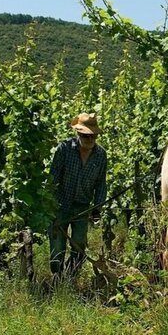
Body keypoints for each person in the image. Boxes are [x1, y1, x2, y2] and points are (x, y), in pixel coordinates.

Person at [48, 112, 107, 278]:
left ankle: (71, 278)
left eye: (93, 137)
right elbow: (53, 178)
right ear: (78, 134)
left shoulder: (101, 155)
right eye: (85, 136)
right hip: (60, 205)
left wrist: (97, 207)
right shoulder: (64, 150)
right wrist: (50, 206)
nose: (89, 140)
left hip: (82, 207)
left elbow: (101, 183)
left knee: (79, 247)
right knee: (57, 247)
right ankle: (57, 279)